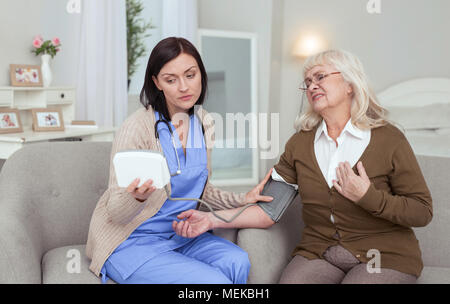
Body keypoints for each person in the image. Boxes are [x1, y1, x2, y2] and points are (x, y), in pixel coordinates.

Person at [173, 49, 433, 284]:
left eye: (320, 77)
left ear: (349, 85)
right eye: (307, 82)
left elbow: (422, 211)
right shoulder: (299, 144)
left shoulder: (389, 138)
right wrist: (208, 219)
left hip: (384, 255)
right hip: (320, 253)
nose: (312, 86)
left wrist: (368, 196)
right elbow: (268, 210)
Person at [85, 37, 273, 284]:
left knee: (237, 262)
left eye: (190, 75)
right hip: (131, 240)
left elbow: (199, 190)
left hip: (180, 234)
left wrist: (243, 199)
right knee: (214, 283)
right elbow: (116, 212)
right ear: (157, 83)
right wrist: (137, 197)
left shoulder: (204, 121)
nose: (184, 87)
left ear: (201, 75)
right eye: (171, 80)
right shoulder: (136, 129)